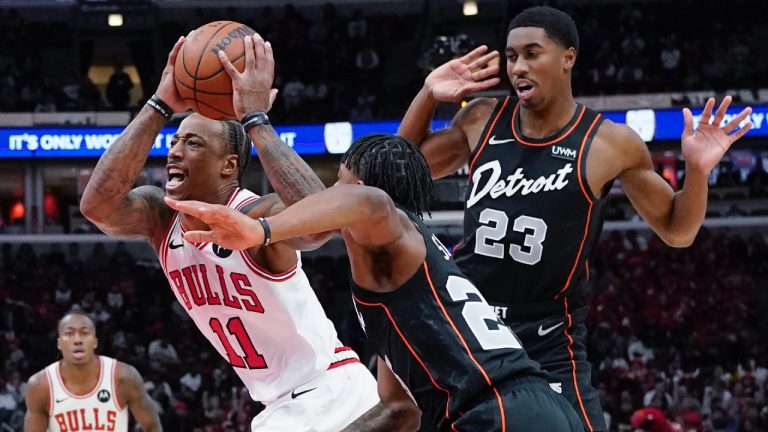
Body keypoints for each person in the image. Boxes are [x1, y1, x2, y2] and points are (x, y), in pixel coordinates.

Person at [396, 6, 753, 431]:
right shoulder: (482, 117)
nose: (519, 67)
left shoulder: (610, 143)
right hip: (473, 319)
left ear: (568, 57)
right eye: (511, 57)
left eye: (532, 53)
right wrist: (427, 94)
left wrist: (696, 171)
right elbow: (400, 172)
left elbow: (677, 231)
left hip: (547, 333)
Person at [164, 133, 583, 432]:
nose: (326, 195)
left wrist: (263, 231)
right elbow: (399, 409)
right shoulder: (403, 263)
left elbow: (370, 201)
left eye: (337, 184)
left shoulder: (387, 222)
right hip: (529, 405)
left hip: (494, 409)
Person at [79, 35, 385, 431]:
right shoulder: (161, 217)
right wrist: (159, 107)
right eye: (174, 141)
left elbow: (321, 225)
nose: (173, 151)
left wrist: (255, 119)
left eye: (192, 143)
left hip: (333, 392)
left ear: (228, 166)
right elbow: (96, 206)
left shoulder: (257, 212)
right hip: (280, 409)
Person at [23, 311, 161, 432]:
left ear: (95, 342)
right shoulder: (40, 385)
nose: (77, 340)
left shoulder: (123, 376)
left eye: (84, 333)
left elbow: (152, 426)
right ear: (59, 343)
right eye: (69, 334)